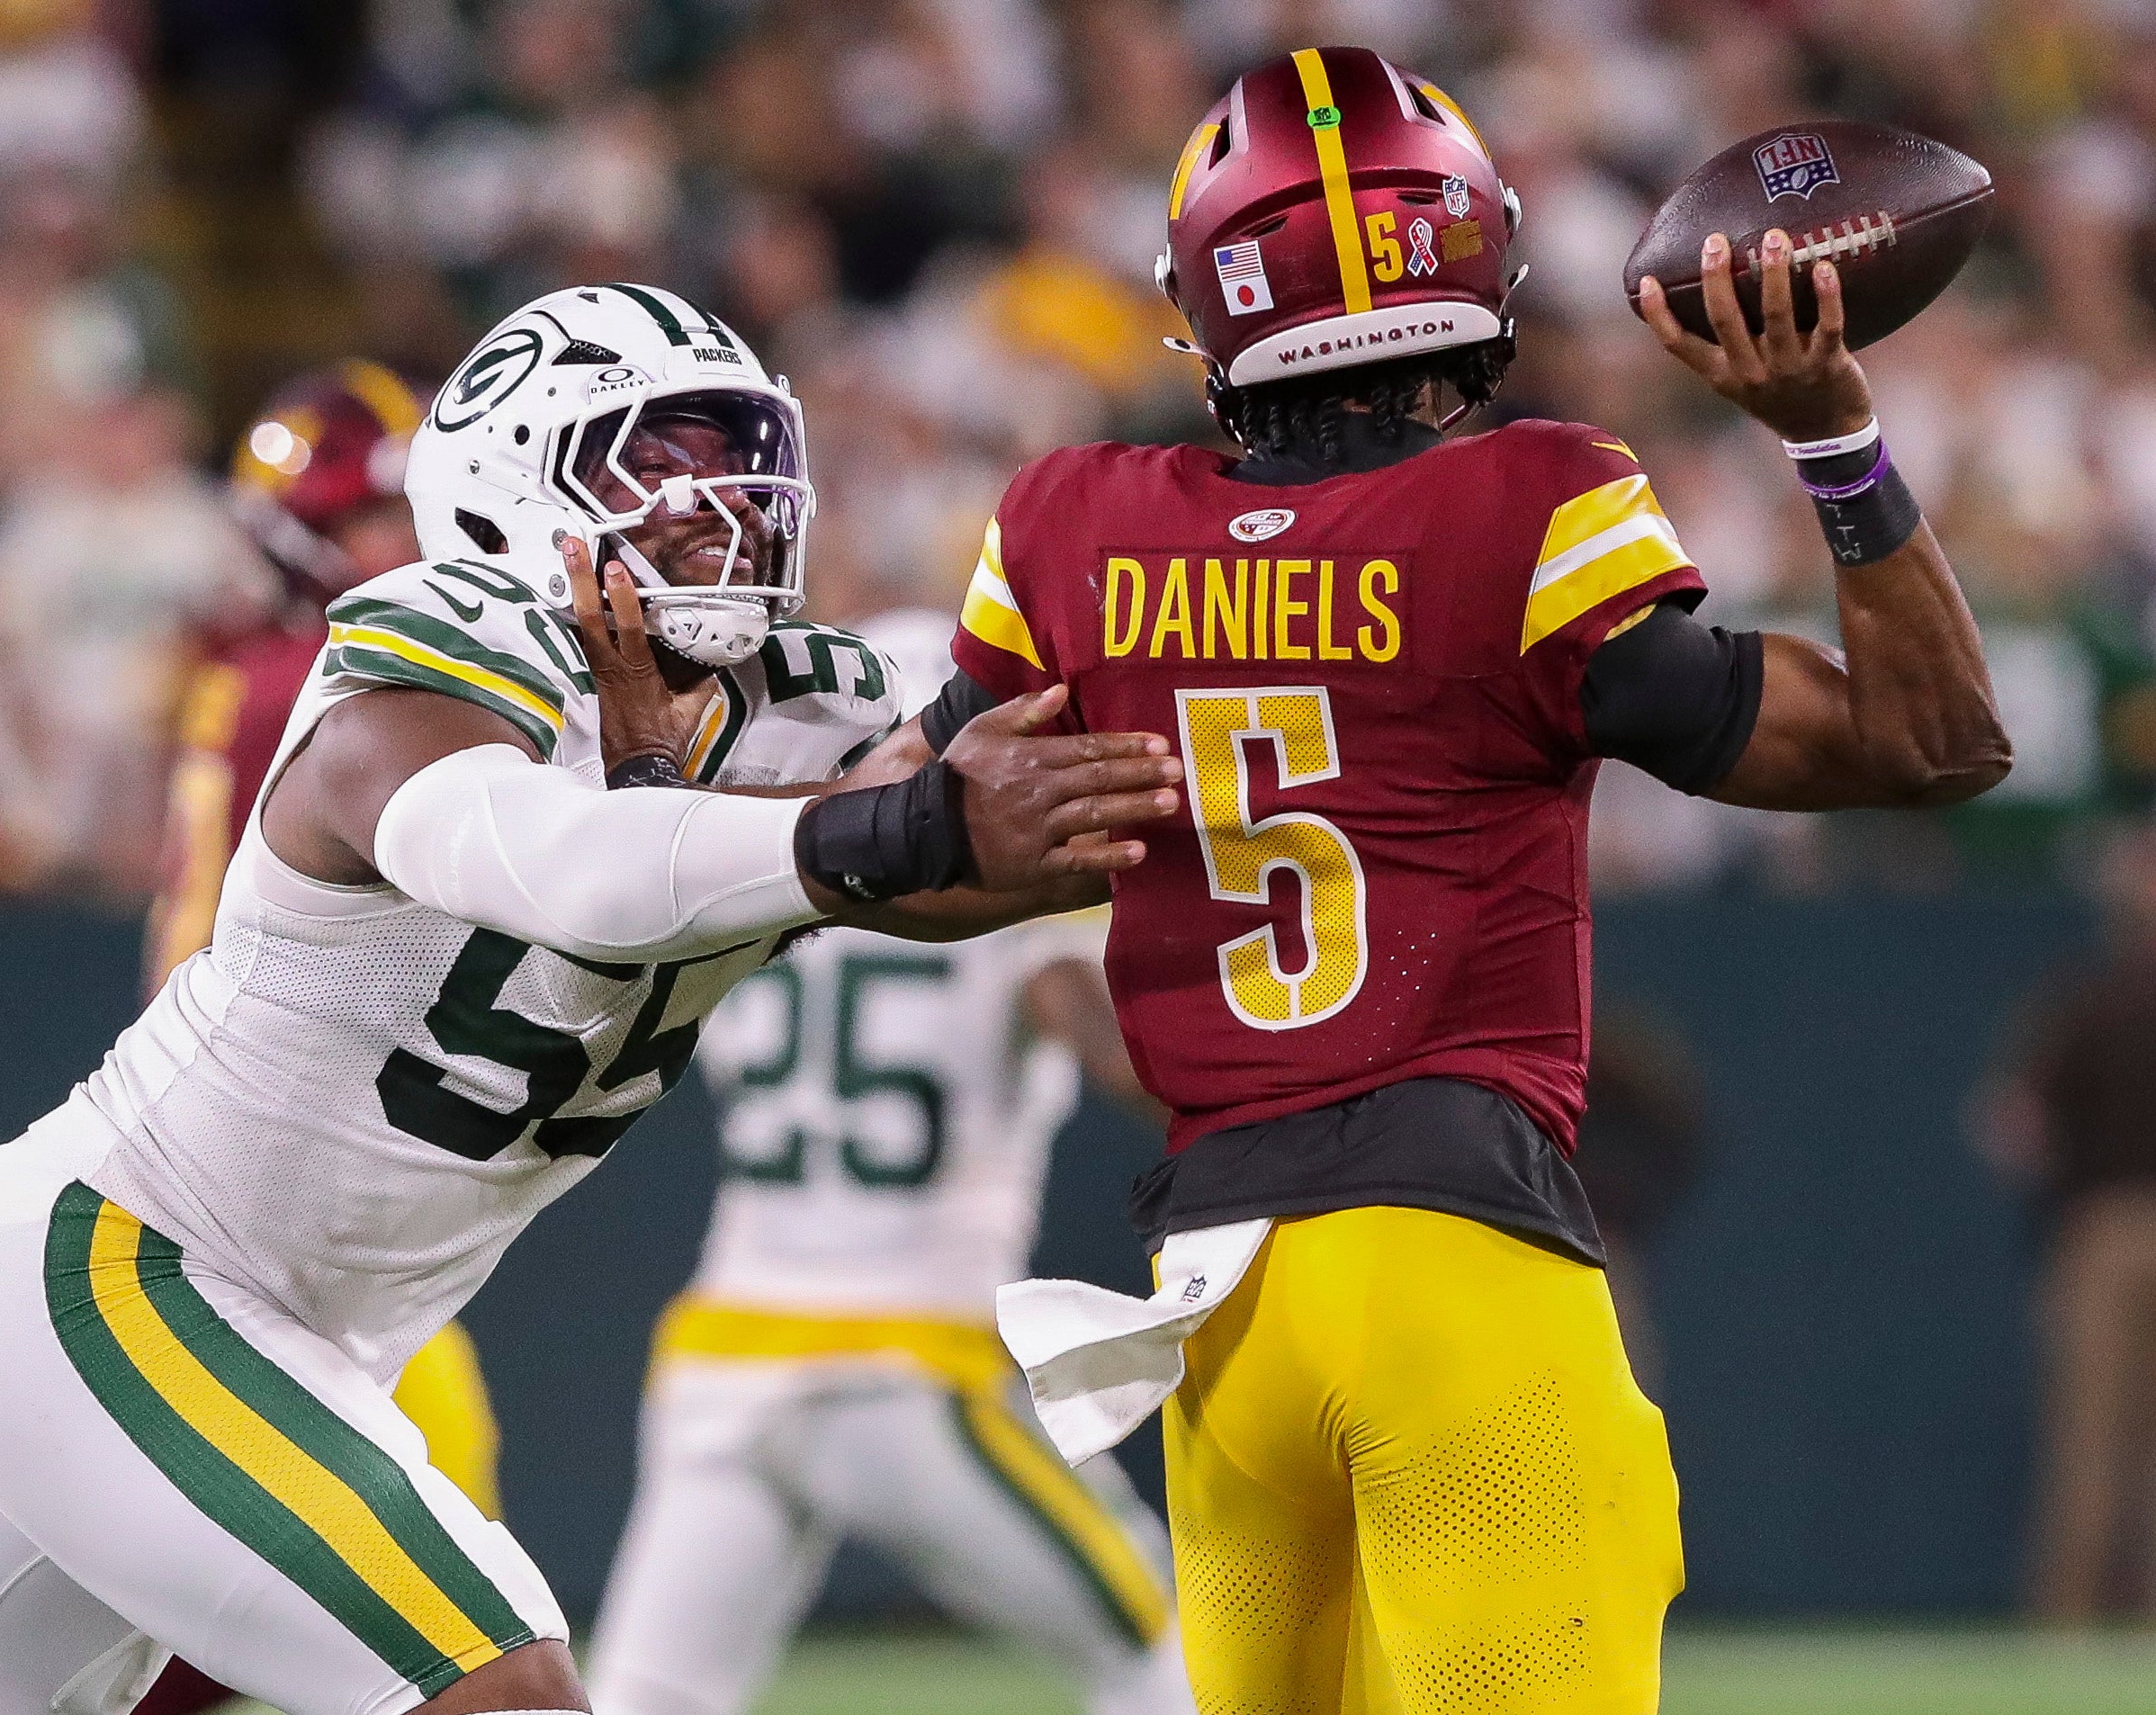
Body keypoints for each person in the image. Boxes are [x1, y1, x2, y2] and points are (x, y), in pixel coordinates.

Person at [802, 49, 2010, 1715]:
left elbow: (903, 866)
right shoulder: (1533, 504)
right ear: (1477, 254)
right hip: (1455, 1272)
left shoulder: (1072, 527)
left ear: (1208, 294)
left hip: (1221, 1312)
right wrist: (1837, 440)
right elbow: (1932, 744)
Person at [0, 283, 1181, 1715]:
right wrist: (900, 825)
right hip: (122, 1275)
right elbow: (571, 863)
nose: (715, 500)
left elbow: (932, 848)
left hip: (294, 1318)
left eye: (736, 451)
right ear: (507, 489)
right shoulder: (415, 662)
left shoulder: (797, 695)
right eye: (654, 463)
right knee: (499, 1685)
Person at [588, 610, 1193, 1715]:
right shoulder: (1006, 892)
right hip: (901, 1361)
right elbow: (1103, 1047)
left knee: (645, 1697)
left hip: (722, 1358)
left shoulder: (754, 888)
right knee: (1175, 1660)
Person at [132, 364, 501, 1715]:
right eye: (367, 523)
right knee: (447, 1600)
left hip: (287, 1161)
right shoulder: (331, 679)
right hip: (288, 1168)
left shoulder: (251, 676)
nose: (398, 546)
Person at [1981, 820, 2156, 1621]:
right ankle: (2069, 1636)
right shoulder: (2083, 1003)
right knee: (2090, 1444)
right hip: (2101, 1229)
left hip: (2102, 1231)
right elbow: (2012, 1123)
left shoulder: (2083, 1001)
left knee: (2098, 1446)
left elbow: (2011, 1127)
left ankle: (2080, 1635)